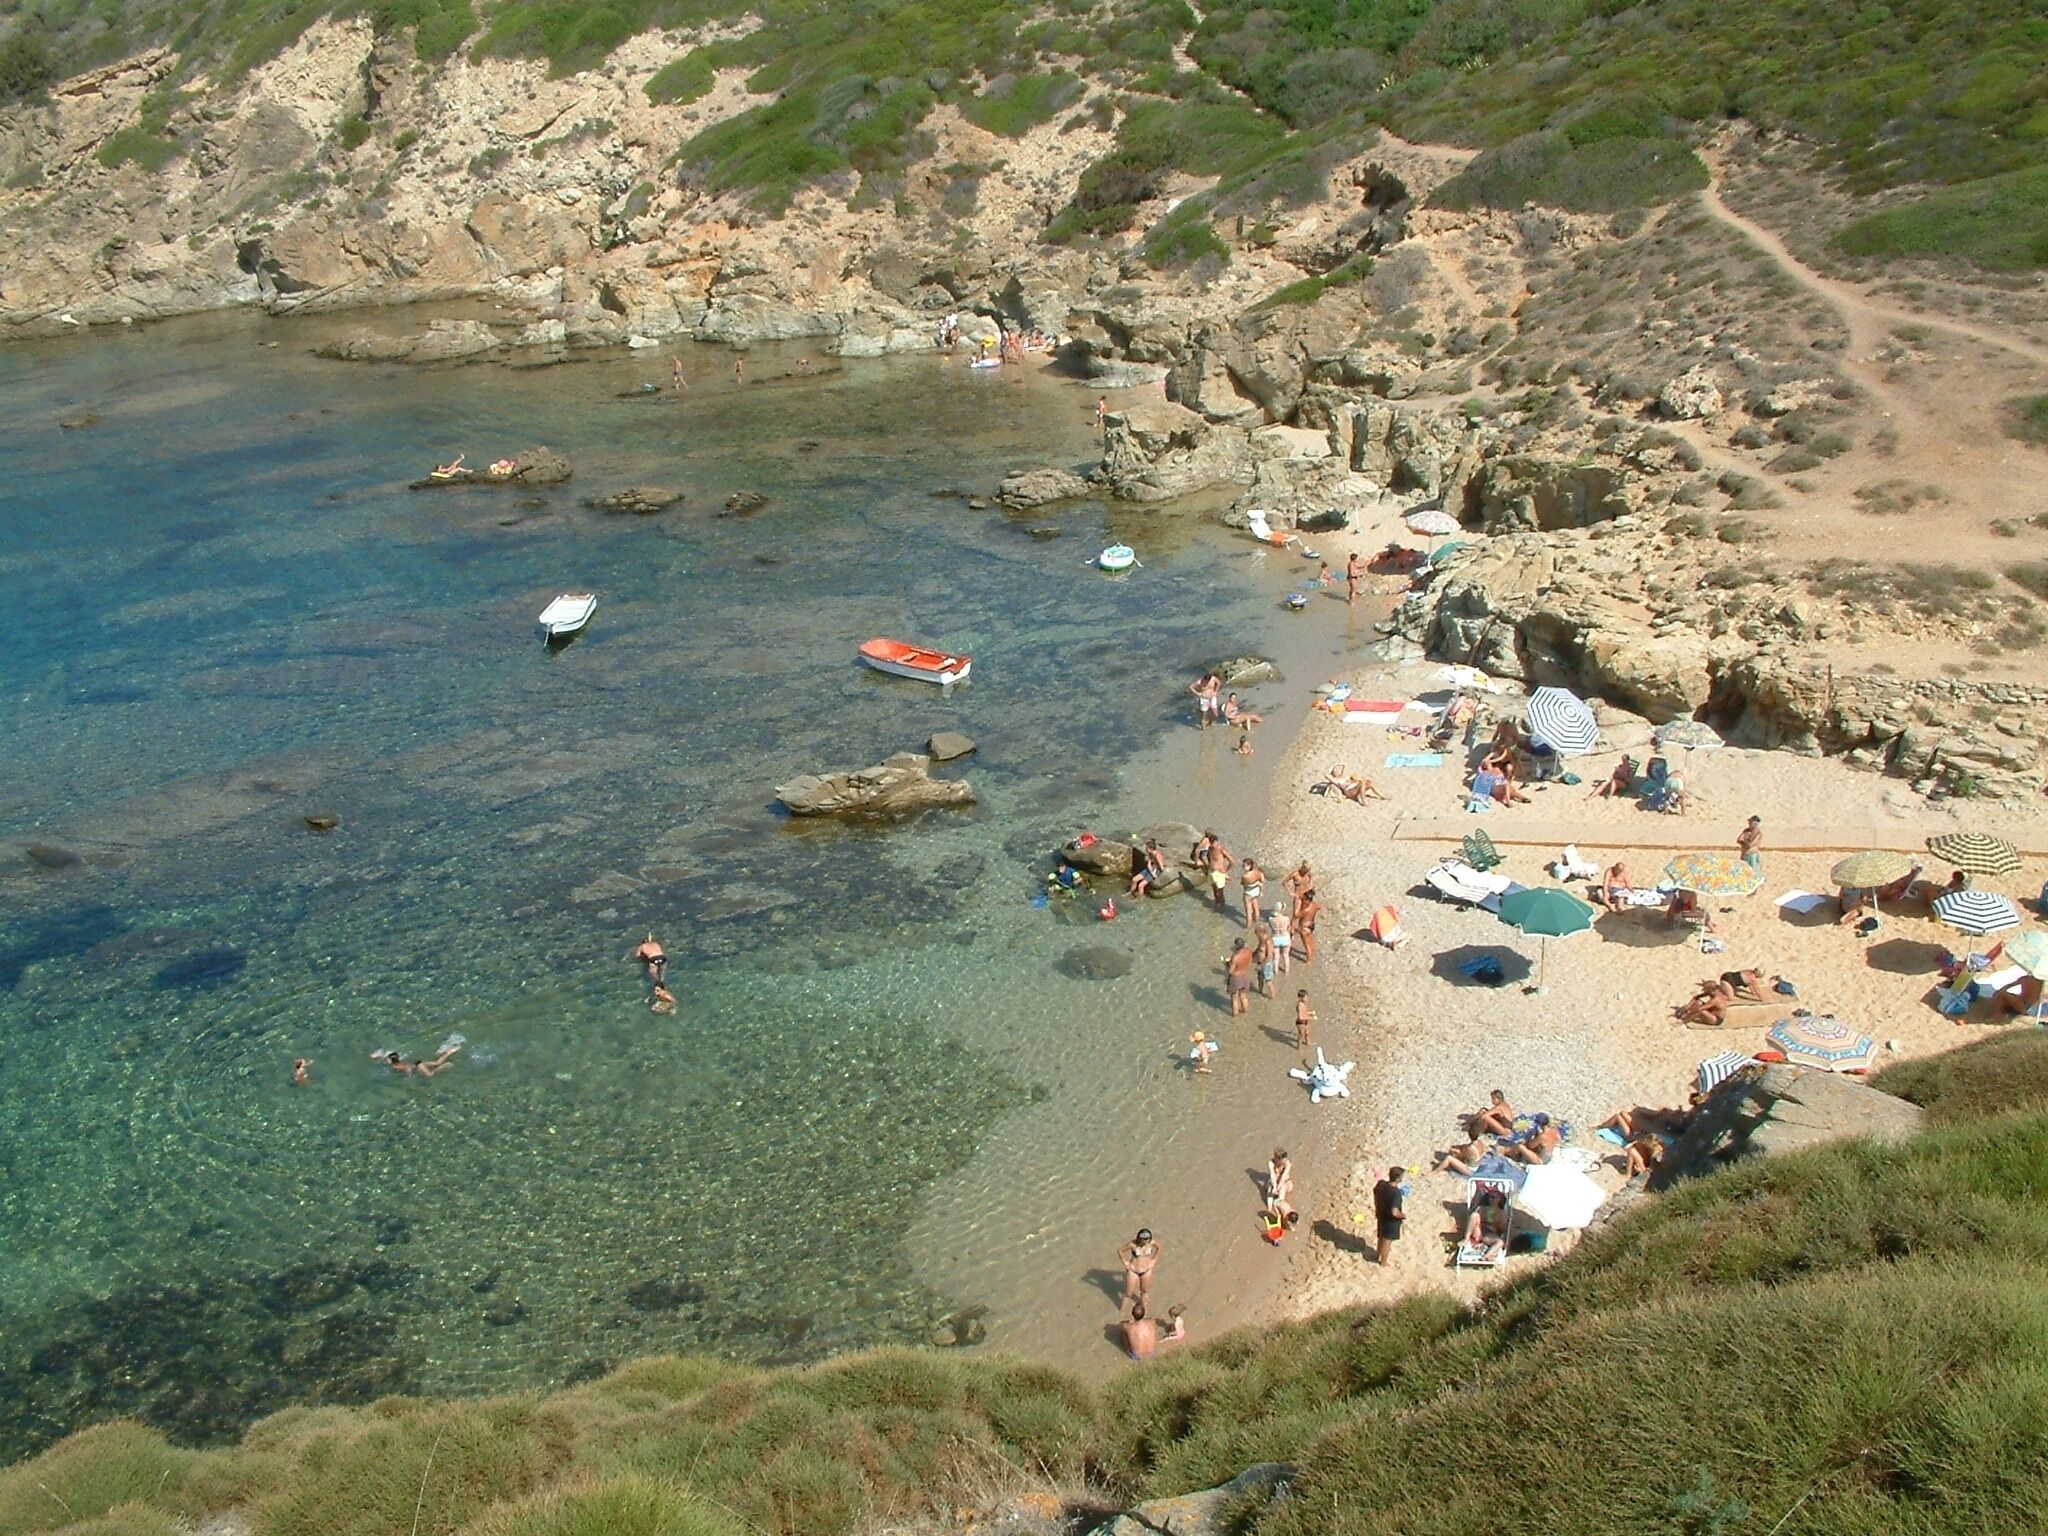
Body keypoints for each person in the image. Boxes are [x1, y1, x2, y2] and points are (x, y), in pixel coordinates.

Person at [1463, 1188, 1510, 1260]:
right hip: (1479, 1231)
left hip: (1490, 1235)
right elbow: (1473, 1219)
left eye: (1495, 1197)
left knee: (1500, 1242)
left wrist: (1498, 1222)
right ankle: (1466, 1239)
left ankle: (1486, 1256)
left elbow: (1502, 1230)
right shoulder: (1481, 1208)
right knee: (1474, 1215)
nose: (1492, 1199)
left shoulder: (1502, 1213)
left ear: (1500, 1199)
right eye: (1490, 1197)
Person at [1372, 1167, 1406, 1265]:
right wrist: (1402, 1216)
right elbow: (1394, 1212)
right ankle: (1383, 1262)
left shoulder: (1381, 1184)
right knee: (1387, 1241)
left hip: (1381, 1214)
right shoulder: (1396, 1193)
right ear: (1398, 1178)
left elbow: (1375, 1192)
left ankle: (1376, 1255)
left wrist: (1376, 1206)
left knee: (1381, 1237)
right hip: (1391, 1221)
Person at [372, 1042, 461, 1078]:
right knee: (436, 1062)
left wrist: (409, 1076)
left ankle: (446, 1065)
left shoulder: (397, 1066)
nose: (386, 1060)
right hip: (418, 1063)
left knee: (430, 1075)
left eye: (388, 1059)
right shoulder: (396, 1062)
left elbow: (407, 1068)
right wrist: (376, 1056)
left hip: (418, 1066)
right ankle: (450, 1051)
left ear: (391, 1061)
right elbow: (385, 1056)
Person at [1119, 1229, 1160, 1305]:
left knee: (1145, 1291)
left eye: (1147, 1239)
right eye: (1142, 1239)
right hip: (1133, 1270)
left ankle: (1144, 1310)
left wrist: (1154, 1260)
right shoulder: (1133, 1244)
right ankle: (1122, 1312)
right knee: (1129, 1293)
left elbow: (1159, 1248)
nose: (1144, 1241)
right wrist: (1126, 1263)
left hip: (1146, 1270)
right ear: (1138, 1238)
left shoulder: (1151, 1243)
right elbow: (1120, 1251)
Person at [1225, 939, 1253, 1016]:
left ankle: (1235, 1016)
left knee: (1234, 998)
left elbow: (1231, 971)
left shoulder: (1235, 957)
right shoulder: (1248, 952)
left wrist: (1226, 965)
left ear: (1236, 946)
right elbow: (1250, 963)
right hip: (1245, 976)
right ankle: (1246, 1013)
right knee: (1243, 996)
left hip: (1236, 978)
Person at [1205, 837, 1234, 912]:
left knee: (1220, 892)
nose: (1212, 844)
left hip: (1220, 873)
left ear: (1217, 841)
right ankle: (1216, 904)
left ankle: (1222, 909)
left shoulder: (1221, 849)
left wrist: (1225, 871)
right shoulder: (1209, 848)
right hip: (1211, 871)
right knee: (1214, 889)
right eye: (1211, 842)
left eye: (1213, 842)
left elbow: (1232, 861)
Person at [1296, 889, 1321, 963]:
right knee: (1310, 940)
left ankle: (1308, 960)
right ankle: (1311, 954)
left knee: (1306, 944)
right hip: (1311, 925)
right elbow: (1319, 907)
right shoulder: (1315, 905)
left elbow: (1296, 914)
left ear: (1307, 900)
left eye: (1303, 900)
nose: (1302, 901)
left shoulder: (1306, 910)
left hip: (1304, 927)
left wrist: (1298, 905)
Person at [1267, 1148, 1294, 1216]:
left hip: (1285, 1182)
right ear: (1277, 1159)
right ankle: (1269, 1209)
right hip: (1275, 1182)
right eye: (1282, 1160)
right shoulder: (1271, 1163)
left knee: (1283, 1186)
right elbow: (1272, 1175)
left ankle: (1279, 1207)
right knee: (1270, 1187)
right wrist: (1275, 1187)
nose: (1284, 1161)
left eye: (1285, 1159)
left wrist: (1278, 1188)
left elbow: (1283, 1177)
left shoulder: (1287, 1164)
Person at [1253, 925, 1277, 999]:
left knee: (1268, 981)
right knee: (1259, 979)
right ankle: (1259, 992)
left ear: (1261, 932)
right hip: (1260, 962)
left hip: (1267, 964)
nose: (1256, 935)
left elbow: (1269, 955)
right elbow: (1259, 948)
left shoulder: (1268, 941)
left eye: (1256, 933)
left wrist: (1261, 966)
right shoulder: (1261, 939)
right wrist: (1253, 954)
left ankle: (1273, 996)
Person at [1240, 859, 1265, 929]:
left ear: (1249, 866)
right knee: (1255, 906)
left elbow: (1242, 884)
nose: (1243, 866)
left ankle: (1248, 926)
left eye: (1244, 865)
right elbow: (1262, 881)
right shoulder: (1258, 873)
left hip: (1248, 893)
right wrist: (1261, 891)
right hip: (1256, 891)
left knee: (1248, 910)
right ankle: (1256, 921)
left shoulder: (1245, 876)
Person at [1270, 900, 1292, 975]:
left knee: (1276, 956)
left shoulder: (1271, 919)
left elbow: (1271, 929)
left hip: (1275, 938)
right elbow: (1289, 928)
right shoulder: (1286, 919)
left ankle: (1275, 971)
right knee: (1286, 955)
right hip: (1285, 937)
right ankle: (1286, 971)